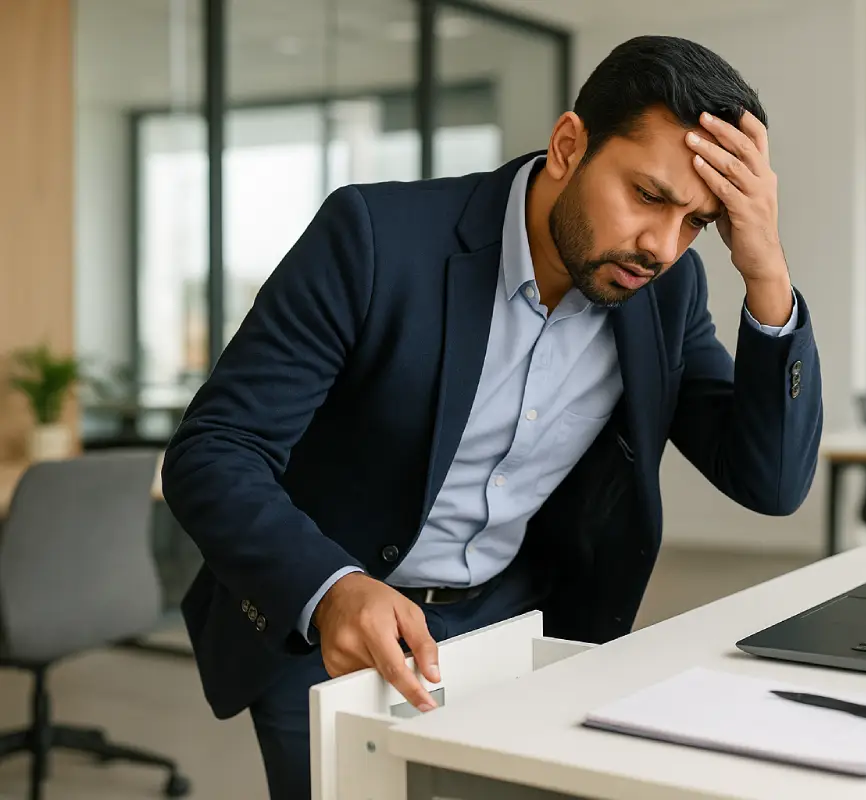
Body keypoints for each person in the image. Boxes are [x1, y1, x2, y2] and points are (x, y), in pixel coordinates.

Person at [160, 34, 823, 798]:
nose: (661, 246)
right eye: (648, 196)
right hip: (333, 621)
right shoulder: (375, 239)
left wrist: (764, 266)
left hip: (514, 620)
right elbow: (215, 449)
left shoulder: (664, 293)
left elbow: (770, 480)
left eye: (697, 222)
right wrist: (332, 586)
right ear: (569, 146)